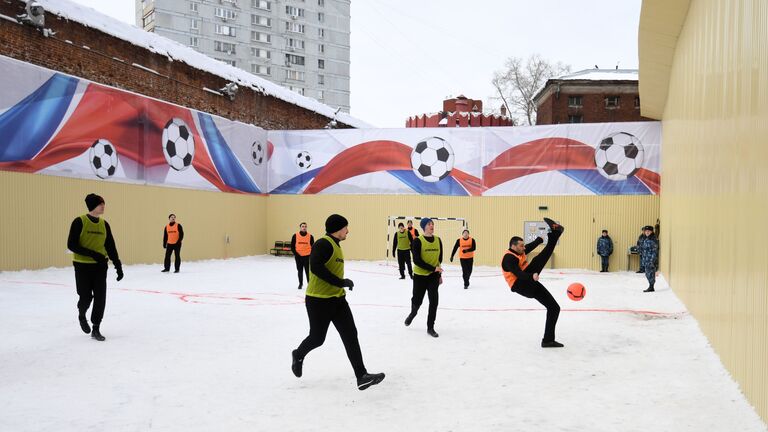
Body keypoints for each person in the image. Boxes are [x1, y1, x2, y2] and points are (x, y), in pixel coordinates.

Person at [291, 214, 385, 391]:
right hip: (318, 301)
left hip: (338, 300)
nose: (348, 231)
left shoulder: (336, 245)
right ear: (338, 228)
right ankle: (298, 354)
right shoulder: (323, 243)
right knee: (317, 338)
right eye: (346, 228)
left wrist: (340, 286)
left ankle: (361, 376)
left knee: (351, 334)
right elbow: (316, 267)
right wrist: (341, 282)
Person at [66, 193, 123, 341]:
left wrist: (118, 265)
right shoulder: (79, 221)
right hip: (82, 266)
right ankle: (81, 314)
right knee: (85, 297)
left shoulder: (104, 224)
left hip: (100, 267)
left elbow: (110, 246)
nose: (103, 206)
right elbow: (71, 245)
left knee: (100, 298)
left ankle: (96, 328)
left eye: (103, 203)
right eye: (100, 204)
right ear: (92, 206)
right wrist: (93, 254)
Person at [502, 218, 564, 348]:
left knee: (554, 308)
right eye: (521, 245)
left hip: (529, 283)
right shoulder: (509, 258)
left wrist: (539, 240)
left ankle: (548, 340)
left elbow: (529, 246)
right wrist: (532, 276)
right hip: (521, 285)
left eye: (523, 245)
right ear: (513, 246)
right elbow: (518, 273)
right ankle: (555, 234)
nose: (523, 248)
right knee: (537, 260)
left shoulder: (520, 251)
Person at [404, 218, 443, 337]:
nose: (432, 226)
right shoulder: (417, 241)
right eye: (429, 224)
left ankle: (430, 327)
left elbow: (439, 259)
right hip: (420, 276)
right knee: (417, 301)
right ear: (424, 227)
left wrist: (439, 274)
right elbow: (416, 260)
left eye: (433, 224)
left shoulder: (438, 240)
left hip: (433, 276)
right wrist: (433, 268)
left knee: (434, 301)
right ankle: (413, 312)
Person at [291, 222, 314, 290]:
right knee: (300, 271)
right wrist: (296, 254)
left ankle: (309, 284)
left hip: (307, 256)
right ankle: (300, 284)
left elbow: (313, 247)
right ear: (300, 227)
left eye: (305, 226)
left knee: (308, 271)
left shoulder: (310, 236)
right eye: (303, 226)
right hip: (298, 257)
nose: (304, 228)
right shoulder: (295, 236)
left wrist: (311, 256)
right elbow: (292, 247)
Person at [640, 225, 659, 292]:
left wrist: (652, 260)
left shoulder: (653, 240)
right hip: (646, 259)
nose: (647, 232)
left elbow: (655, 251)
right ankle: (651, 286)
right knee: (647, 274)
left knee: (650, 274)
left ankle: (651, 287)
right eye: (646, 231)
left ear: (651, 231)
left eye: (648, 231)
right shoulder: (646, 238)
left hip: (650, 260)